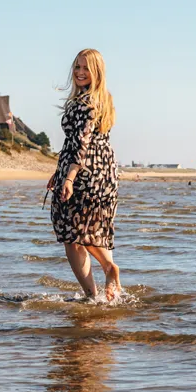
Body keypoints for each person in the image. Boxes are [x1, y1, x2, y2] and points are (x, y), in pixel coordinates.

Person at [48, 49, 121, 302]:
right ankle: (108, 273)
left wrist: (68, 178)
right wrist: (59, 172)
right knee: (89, 230)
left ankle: (92, 294)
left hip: (84, 174)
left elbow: (81, 143)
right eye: (77, 67)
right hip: (103, 173)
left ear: (96, 72)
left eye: (85, 68)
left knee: (73, 236)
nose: (80, 72)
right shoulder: (103, 99)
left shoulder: (86, 103)